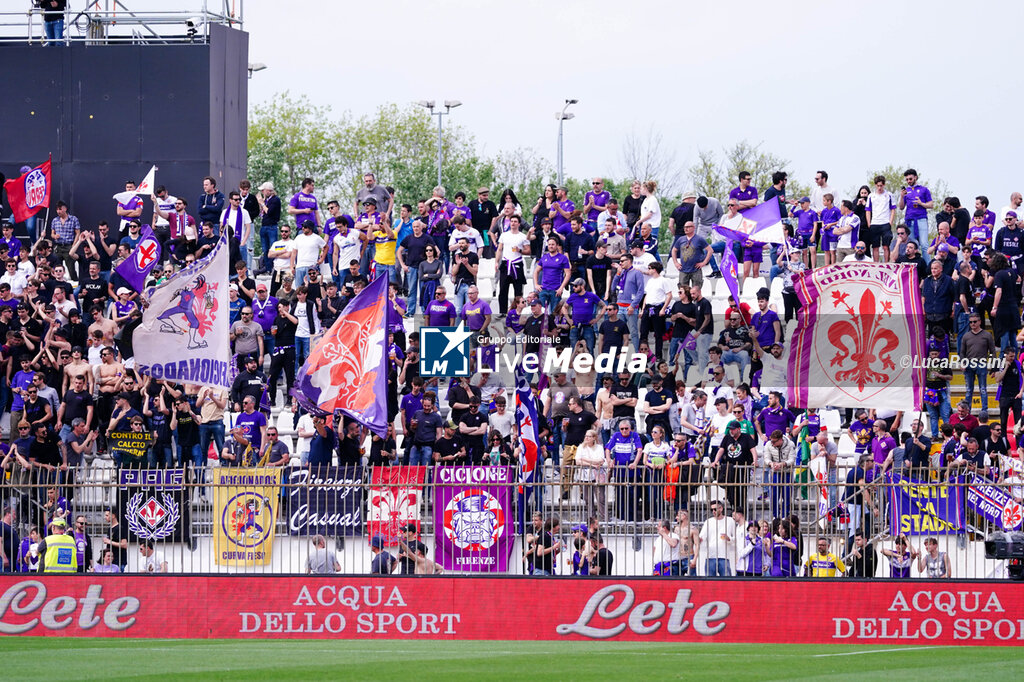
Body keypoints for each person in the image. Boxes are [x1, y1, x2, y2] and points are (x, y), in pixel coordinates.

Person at [696, 500, 736, 577]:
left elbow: (735, 538)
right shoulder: (708, 522)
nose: (713, 511)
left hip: (724, 556)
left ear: (721, 508)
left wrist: (729, 538)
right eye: (711, 510)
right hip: (711, 555)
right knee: (710, 582)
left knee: (726, 581)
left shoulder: (730, 520)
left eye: (715, 509)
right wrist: (698, 539)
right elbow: (702, 537)